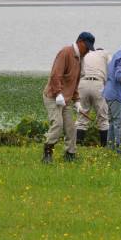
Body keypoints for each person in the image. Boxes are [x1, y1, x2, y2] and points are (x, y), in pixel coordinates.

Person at [42, 32, 95, 163]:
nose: (88, 51)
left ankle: (70, 154)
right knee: (58, 124)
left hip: (65, 99)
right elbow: (55, 75)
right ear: (80, 42)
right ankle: (47, 153)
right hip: (52, 96)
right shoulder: (65, 52)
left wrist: (77, 102)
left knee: (71, 127)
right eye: (87, 47)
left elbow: (74, 83)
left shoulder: (80, 60)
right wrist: (58, 93)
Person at [75, 47, 111, 146]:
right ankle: (104, 147)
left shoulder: (87, 54)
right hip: (97, 84)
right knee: (103, 118)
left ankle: (78, 146)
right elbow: (113, 68)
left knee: (82, 117)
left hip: (82, 84)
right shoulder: (105, 53)